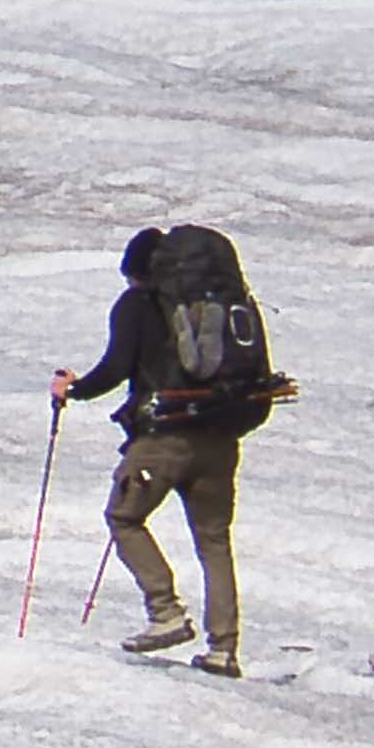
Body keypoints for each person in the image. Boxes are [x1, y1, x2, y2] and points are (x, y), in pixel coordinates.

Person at [56, 220, 286, 673]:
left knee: (123, 517)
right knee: (214, 542)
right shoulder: (225, 305)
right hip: (221, 436)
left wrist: (73, 389)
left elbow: (117, 367)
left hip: (164, 439)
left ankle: (165, 613)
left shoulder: (139, 304)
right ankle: (224, 649)